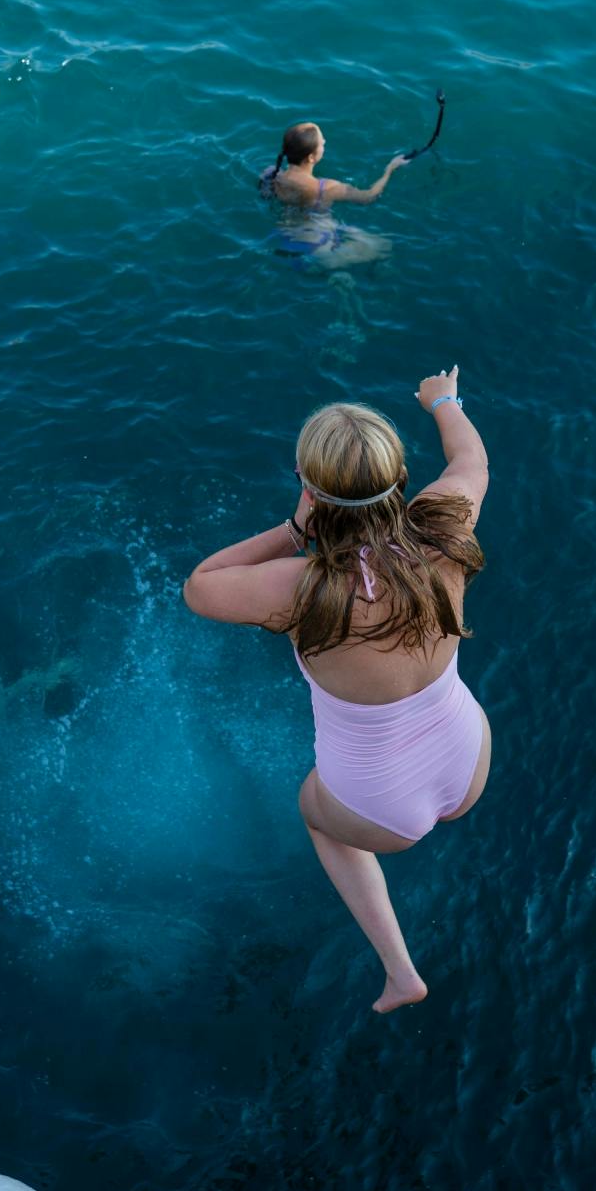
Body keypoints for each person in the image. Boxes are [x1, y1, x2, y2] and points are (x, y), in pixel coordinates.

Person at [182, 368, 491, 1013]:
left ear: (309, 490)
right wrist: (444, 402)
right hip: (469, 761)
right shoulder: (444, 530)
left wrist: (297, 531)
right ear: (401, 481)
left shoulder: (300, 587)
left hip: (381, 807)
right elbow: (469, 457)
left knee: (316, 815)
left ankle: (401, 973)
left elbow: (202, 584)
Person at [260, 122, 408, 267]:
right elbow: (369, 197)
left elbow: (266, 195)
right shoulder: (326, 188)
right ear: (311, 157)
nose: (324, 141)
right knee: (385, 246)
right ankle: (337, 275)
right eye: (321, 142)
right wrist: (390, 169)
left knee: (350, 231)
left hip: (285, 235)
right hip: (319, 246)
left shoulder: (271, 173)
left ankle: (339, 276)